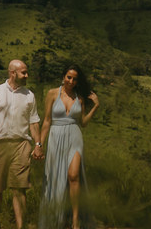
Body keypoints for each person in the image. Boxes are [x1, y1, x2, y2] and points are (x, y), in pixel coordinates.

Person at [0, 59, 43, 229]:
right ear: (12, 73)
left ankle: (21, 226)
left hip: (21, 144)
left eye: (26, 71)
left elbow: (34, 123)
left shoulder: (29, 95)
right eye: (23, 72)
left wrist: (38, 144)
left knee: (20, 188)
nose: (27, 75)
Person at [38, 64, 100, 229]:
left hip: (74, 136)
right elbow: (46, 121)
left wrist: (95, 106)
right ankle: (55, 219)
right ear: (63, 77)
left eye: (75, 78)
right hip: (55, 137)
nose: (71, 81)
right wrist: (39, 144)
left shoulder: (79, 98)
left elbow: (83, 123)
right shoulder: (52, 94)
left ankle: (75, 221)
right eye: (69, 77)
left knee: (73, 176)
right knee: (55, 178)